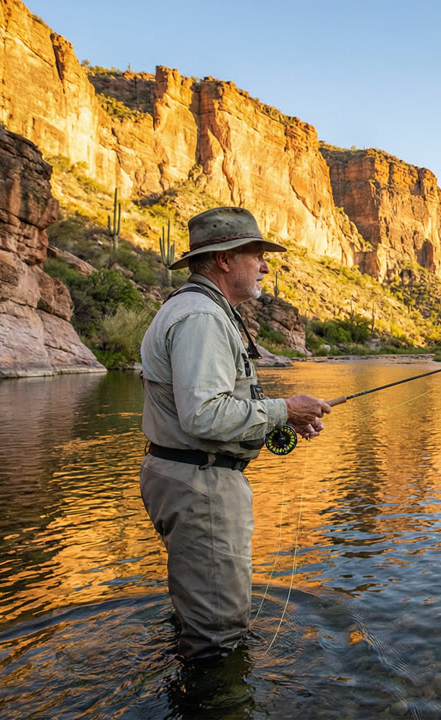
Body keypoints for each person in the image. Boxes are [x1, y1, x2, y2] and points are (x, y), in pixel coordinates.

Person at [139, 206, 332, 661]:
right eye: (257, 254)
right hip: (200, 487)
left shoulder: (196, 308)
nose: (265, 265)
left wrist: (282, 419)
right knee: (217, 639)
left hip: (188, 476)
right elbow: (203, 414)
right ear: (224, 259)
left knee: (199, 615)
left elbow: (211, 407)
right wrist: (284, 407)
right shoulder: (202, 317)